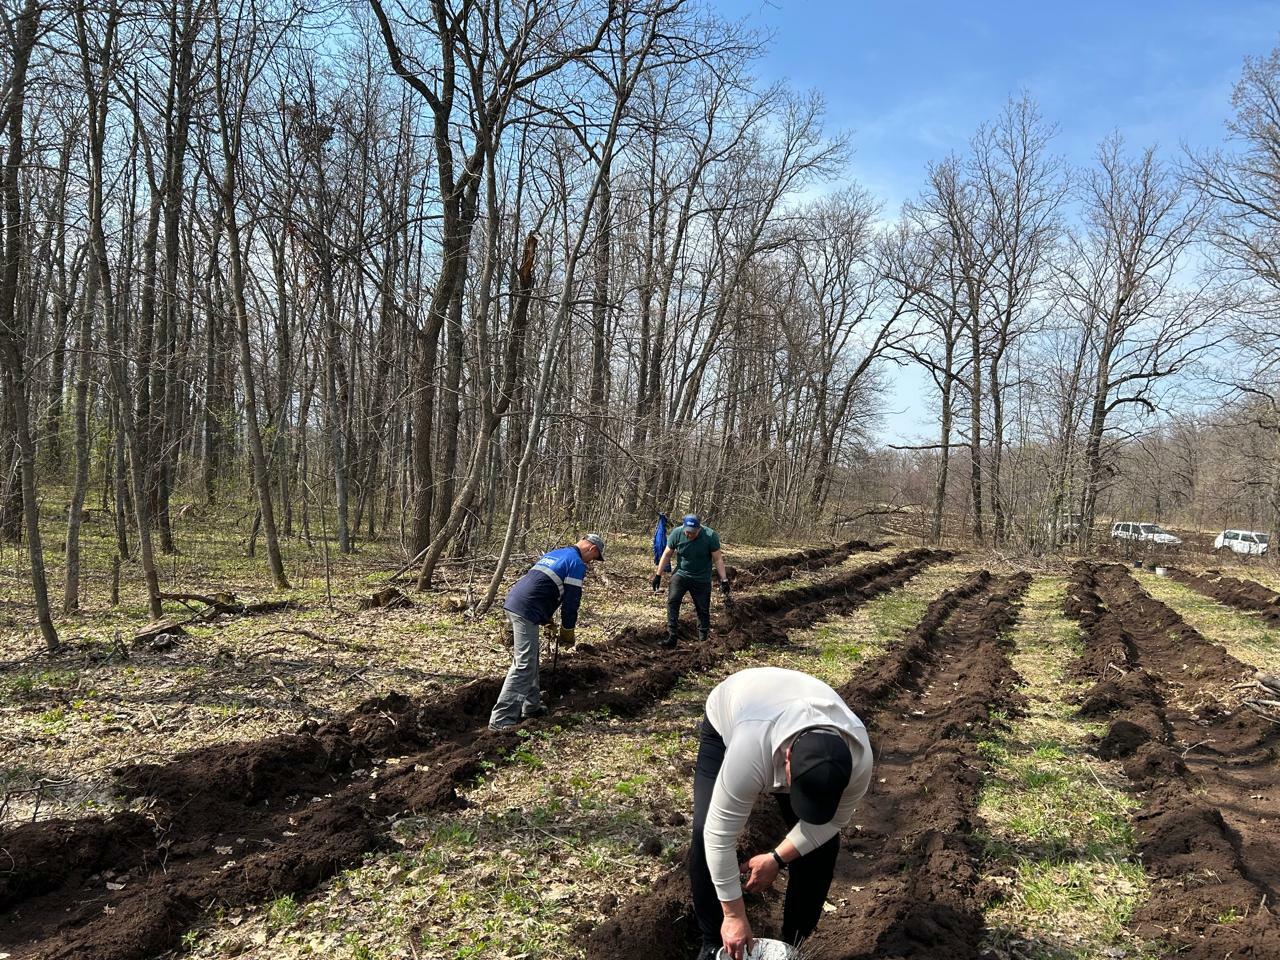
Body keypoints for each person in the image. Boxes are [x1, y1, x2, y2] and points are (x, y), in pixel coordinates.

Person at [689, 667, 873, 960]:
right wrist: (734, 914)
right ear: (788, 758)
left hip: (791, 713)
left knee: (822, 848)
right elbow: (718, 835)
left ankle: (792, 944)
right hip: (733, 714)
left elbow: (834, 821)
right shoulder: (750, 749)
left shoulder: (860, 760)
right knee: (702, 832)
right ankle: (712, 943)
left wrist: (777, 858)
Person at [488, 533, 605, 732]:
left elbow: (541, 584)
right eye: (594, 558)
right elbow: (571, 602)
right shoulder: (576, 563)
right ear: (592, 549)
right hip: (526, 609)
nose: (591, 561)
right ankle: (501, 719)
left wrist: (546, 617)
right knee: (524, 664)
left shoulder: (558, 553)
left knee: (530, 659)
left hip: (516, 602)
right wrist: (568, 629)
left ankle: (531, 707)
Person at [652, 514, 729, 649]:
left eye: (693, 533)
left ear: (699, 529)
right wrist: (658, 575)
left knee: (702, 609)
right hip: (681, 574)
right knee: (673, 601)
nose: (689, 535)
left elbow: (718, 559)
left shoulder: (710, 536)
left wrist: (724, 580)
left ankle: (703, 641)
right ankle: (672, 636)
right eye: (687, 532)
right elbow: (667, 553)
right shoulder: (677, 533)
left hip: (701, 578)